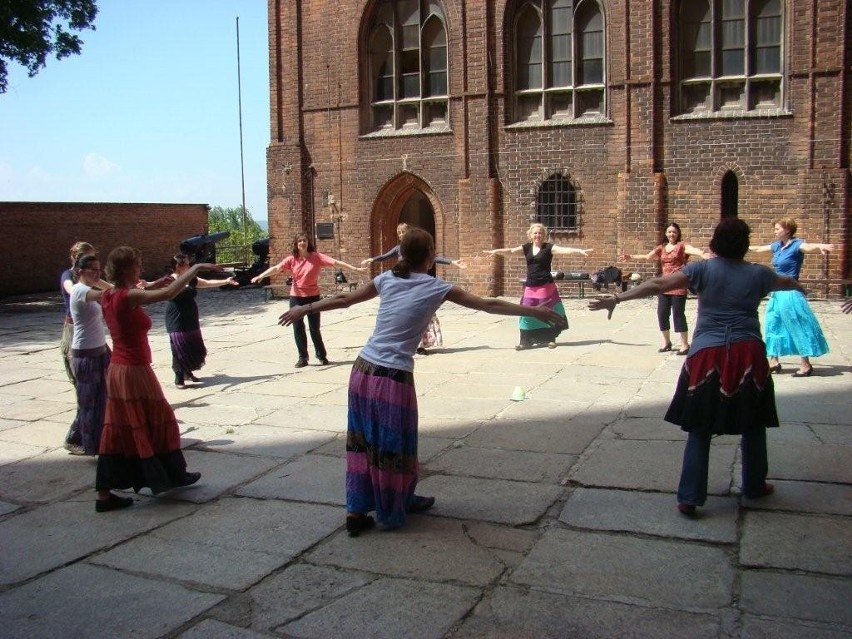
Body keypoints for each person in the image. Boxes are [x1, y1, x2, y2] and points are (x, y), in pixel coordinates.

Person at [279, 228, 565, 536]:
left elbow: (345, 299)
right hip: (392, 378)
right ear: (430, 258)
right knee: (395, 445)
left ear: (401, 254)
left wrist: (304, 308)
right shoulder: (435, 287)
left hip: (362, 371)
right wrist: (534, 311)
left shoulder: (386, 279)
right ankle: (393, 508)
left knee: (361, 442)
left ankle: (358, 510)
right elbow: (489, 304)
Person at [589, 218, 805, 515]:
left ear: (716, 241)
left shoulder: (702, 269)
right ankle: (754, 485)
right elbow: (787, 282)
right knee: (754, 422)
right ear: (744, 244)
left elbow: (657, 284)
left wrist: (617, 297)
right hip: (748, 352)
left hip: (708, 354)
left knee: (701, 426)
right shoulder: (758, 274)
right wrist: (798, 286)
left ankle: (690, 496)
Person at [94, 246, 222, 513]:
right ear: (127, 268)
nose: (140, 267)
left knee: (119, 427)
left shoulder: (109, 294)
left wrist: (156, 283)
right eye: (137, 264)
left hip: (118, 370)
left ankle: (105, 494)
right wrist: (196, 269)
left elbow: (138, 291)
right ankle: (169, 474)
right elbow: (168, 294)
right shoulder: (127, 296)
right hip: (133, 370)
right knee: (157, 419)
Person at [251, 232, 366, 368]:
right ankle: (302, 357)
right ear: (296, 244)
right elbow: (276, 268)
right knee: (298, 327)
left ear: (308, 243)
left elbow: (336, 262)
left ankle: (321, 355)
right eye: (299, 241)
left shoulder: (316, 257)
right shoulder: (291, 259)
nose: (302, 243)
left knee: (314, 328)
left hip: (313, 297)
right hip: (296, 297)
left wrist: (355, 269)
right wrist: (261, 275)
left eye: (304, 240)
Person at [361, 222, 467, 354]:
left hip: (419, 284)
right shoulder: (397, 249)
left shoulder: (417, 248)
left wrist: (452, 262)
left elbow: (434, 258)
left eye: (403, 232)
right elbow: (384, 257)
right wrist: (371, 259)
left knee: (421, 315)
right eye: (399, 233)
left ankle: (421, 344)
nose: (401, 235)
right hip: (403, 285)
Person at [483, 222, 592, 349]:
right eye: (535, 233)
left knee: (548, 311)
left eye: (540, 233)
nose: (537, 235)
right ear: (531, 234)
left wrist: (579, 251)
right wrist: (496, 251)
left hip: (546, 286)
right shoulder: (527, 248)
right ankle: (525, 341)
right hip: (531, 286)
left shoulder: (548, 248)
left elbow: (564, 250)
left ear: (543, 234)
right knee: (526, 311)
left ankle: (550, 339)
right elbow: (511, 251)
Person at [749, 219, 833, 377]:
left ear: (787, 230)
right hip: (776, 291)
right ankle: (773, 361)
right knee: (773, 323)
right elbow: (759, 248)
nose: (774, 231)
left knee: (797, 324)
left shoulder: (796, 245)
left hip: (791, 292)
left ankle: (805, 364)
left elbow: (808, 247)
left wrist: (820, 246)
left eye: (777, 229)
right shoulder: (777, 246)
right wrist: (736, 246)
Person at [620, 222, 708, 355]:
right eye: (669, 232)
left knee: (678, 315)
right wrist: (630, 257)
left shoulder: (682, 246)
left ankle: (684, 345)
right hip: (664, 286)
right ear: (666, 234)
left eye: (674, 232)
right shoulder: (662, 248)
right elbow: (647, 256)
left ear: (678, 234)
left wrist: (702, 254)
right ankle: (666, 342)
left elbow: (694, 250)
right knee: (662, 314)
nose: (671, 234)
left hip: (678, 285)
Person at [165, 253, 238, 388]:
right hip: (176, 318)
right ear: (178, 266)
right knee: (178, 347)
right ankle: (179, 376)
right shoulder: (169, 280)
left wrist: (226, 281)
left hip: (190, 316)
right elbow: (155, 286)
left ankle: (187, 371)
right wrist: (147, 284)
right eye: (186, 264)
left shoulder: (190, 279)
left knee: (191, 345)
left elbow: (206, 283)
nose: (189, 265)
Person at [64, 254, 111, 456]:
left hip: (99, 350)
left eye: (99, 269)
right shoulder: (79, 290)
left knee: (102, 399)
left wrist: (98, 277)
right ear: (80, 272)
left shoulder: (89, 286)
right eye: (93, 269)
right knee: (89, 402)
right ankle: (83, 441)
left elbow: (108, 289)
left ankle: (93, 438)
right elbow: (105, 295)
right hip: (85, 354)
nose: (97, 273)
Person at [60, 242, 111, 386]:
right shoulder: (69, 276)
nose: (93, 263)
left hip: (92, 330)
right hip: (74, 326)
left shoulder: (92, 276)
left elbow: (112, 289)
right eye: (89, 257)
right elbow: (72, 290)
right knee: (82, 377)